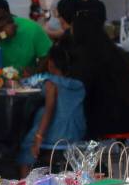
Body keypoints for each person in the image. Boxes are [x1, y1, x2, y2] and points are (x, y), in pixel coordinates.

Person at [68, 11, 129, 138]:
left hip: (110, 120)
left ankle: (87, 155)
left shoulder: (84, 56)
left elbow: (80, 90)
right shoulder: (116, 52)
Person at [18, 42, 85, 175]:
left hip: (57, 132)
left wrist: (38, 137)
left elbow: (50, 110)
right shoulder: (79, 85)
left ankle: (24, 184)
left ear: (50, 63)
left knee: (26, 149)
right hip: (76, 132)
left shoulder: (50, 82)